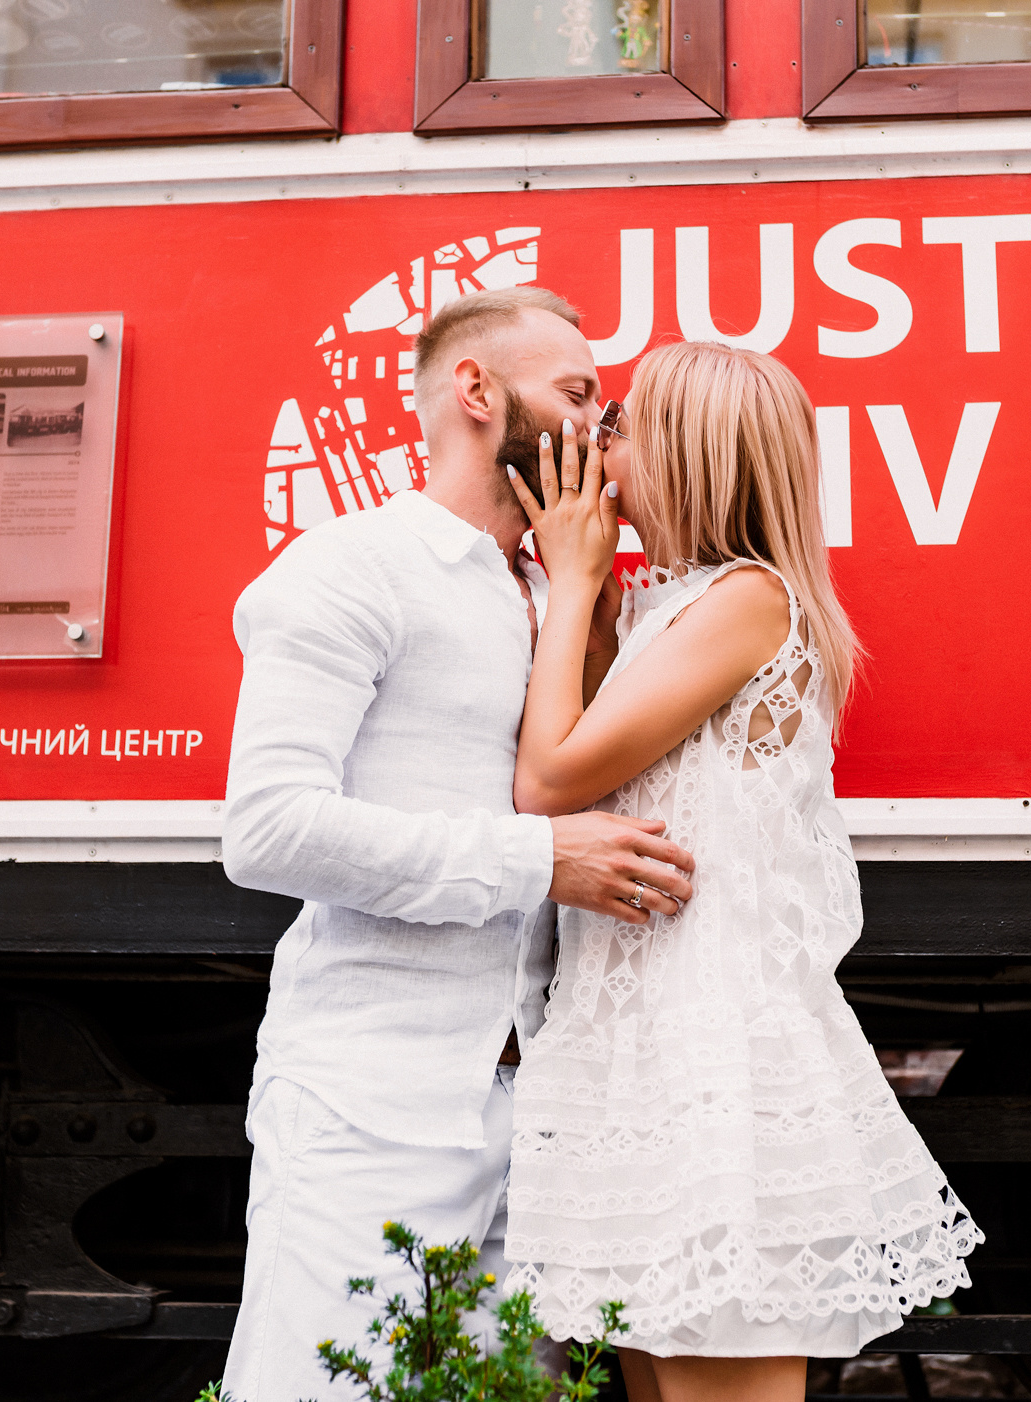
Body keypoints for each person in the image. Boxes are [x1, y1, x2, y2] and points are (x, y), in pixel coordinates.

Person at [219, 287, 700, 1402]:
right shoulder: (348, 568)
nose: (600, 420)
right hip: (370, 1100)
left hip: (541, 1114)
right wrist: (541, 861)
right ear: (477, 391)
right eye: (578, 392)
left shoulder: (559, 590)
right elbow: (268, 827)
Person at [502, 342, 983, 1402]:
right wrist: (580, 597)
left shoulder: (747, 599)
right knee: (660, 1379)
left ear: (685, 453)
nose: (596, 440)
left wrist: (579, 578)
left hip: (707, 1050)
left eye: (619, 422)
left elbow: (546, 779)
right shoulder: (663, 610)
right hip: (633, 1041)